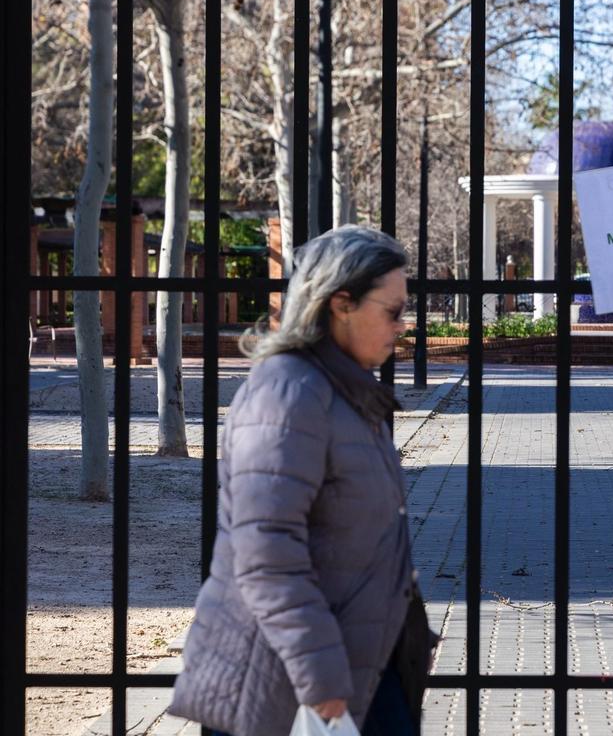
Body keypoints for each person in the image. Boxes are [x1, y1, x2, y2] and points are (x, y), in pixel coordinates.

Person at [169, 225, 434, 735]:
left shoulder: (344, 391)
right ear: (341, 303)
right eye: (393, 310)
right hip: (290, 685)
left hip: (357, 668)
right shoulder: (289, 395)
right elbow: (266, 551)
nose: (404, 326)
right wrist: (324, 686)